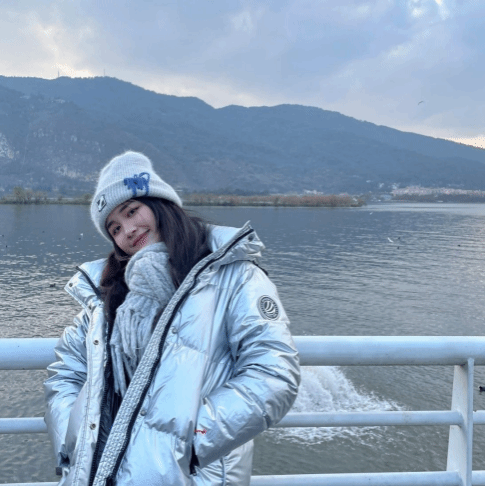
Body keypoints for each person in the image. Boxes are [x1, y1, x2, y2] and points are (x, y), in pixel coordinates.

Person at [44, 151, 300, 486]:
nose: (128, 231)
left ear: (160, 204)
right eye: (115, 228)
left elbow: (273, 374)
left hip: (190, 474)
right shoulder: (107, 294)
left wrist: (186, 441)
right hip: (102, 471)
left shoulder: (232, 275)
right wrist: (74, 441)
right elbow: (66, 373)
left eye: (132, 211)